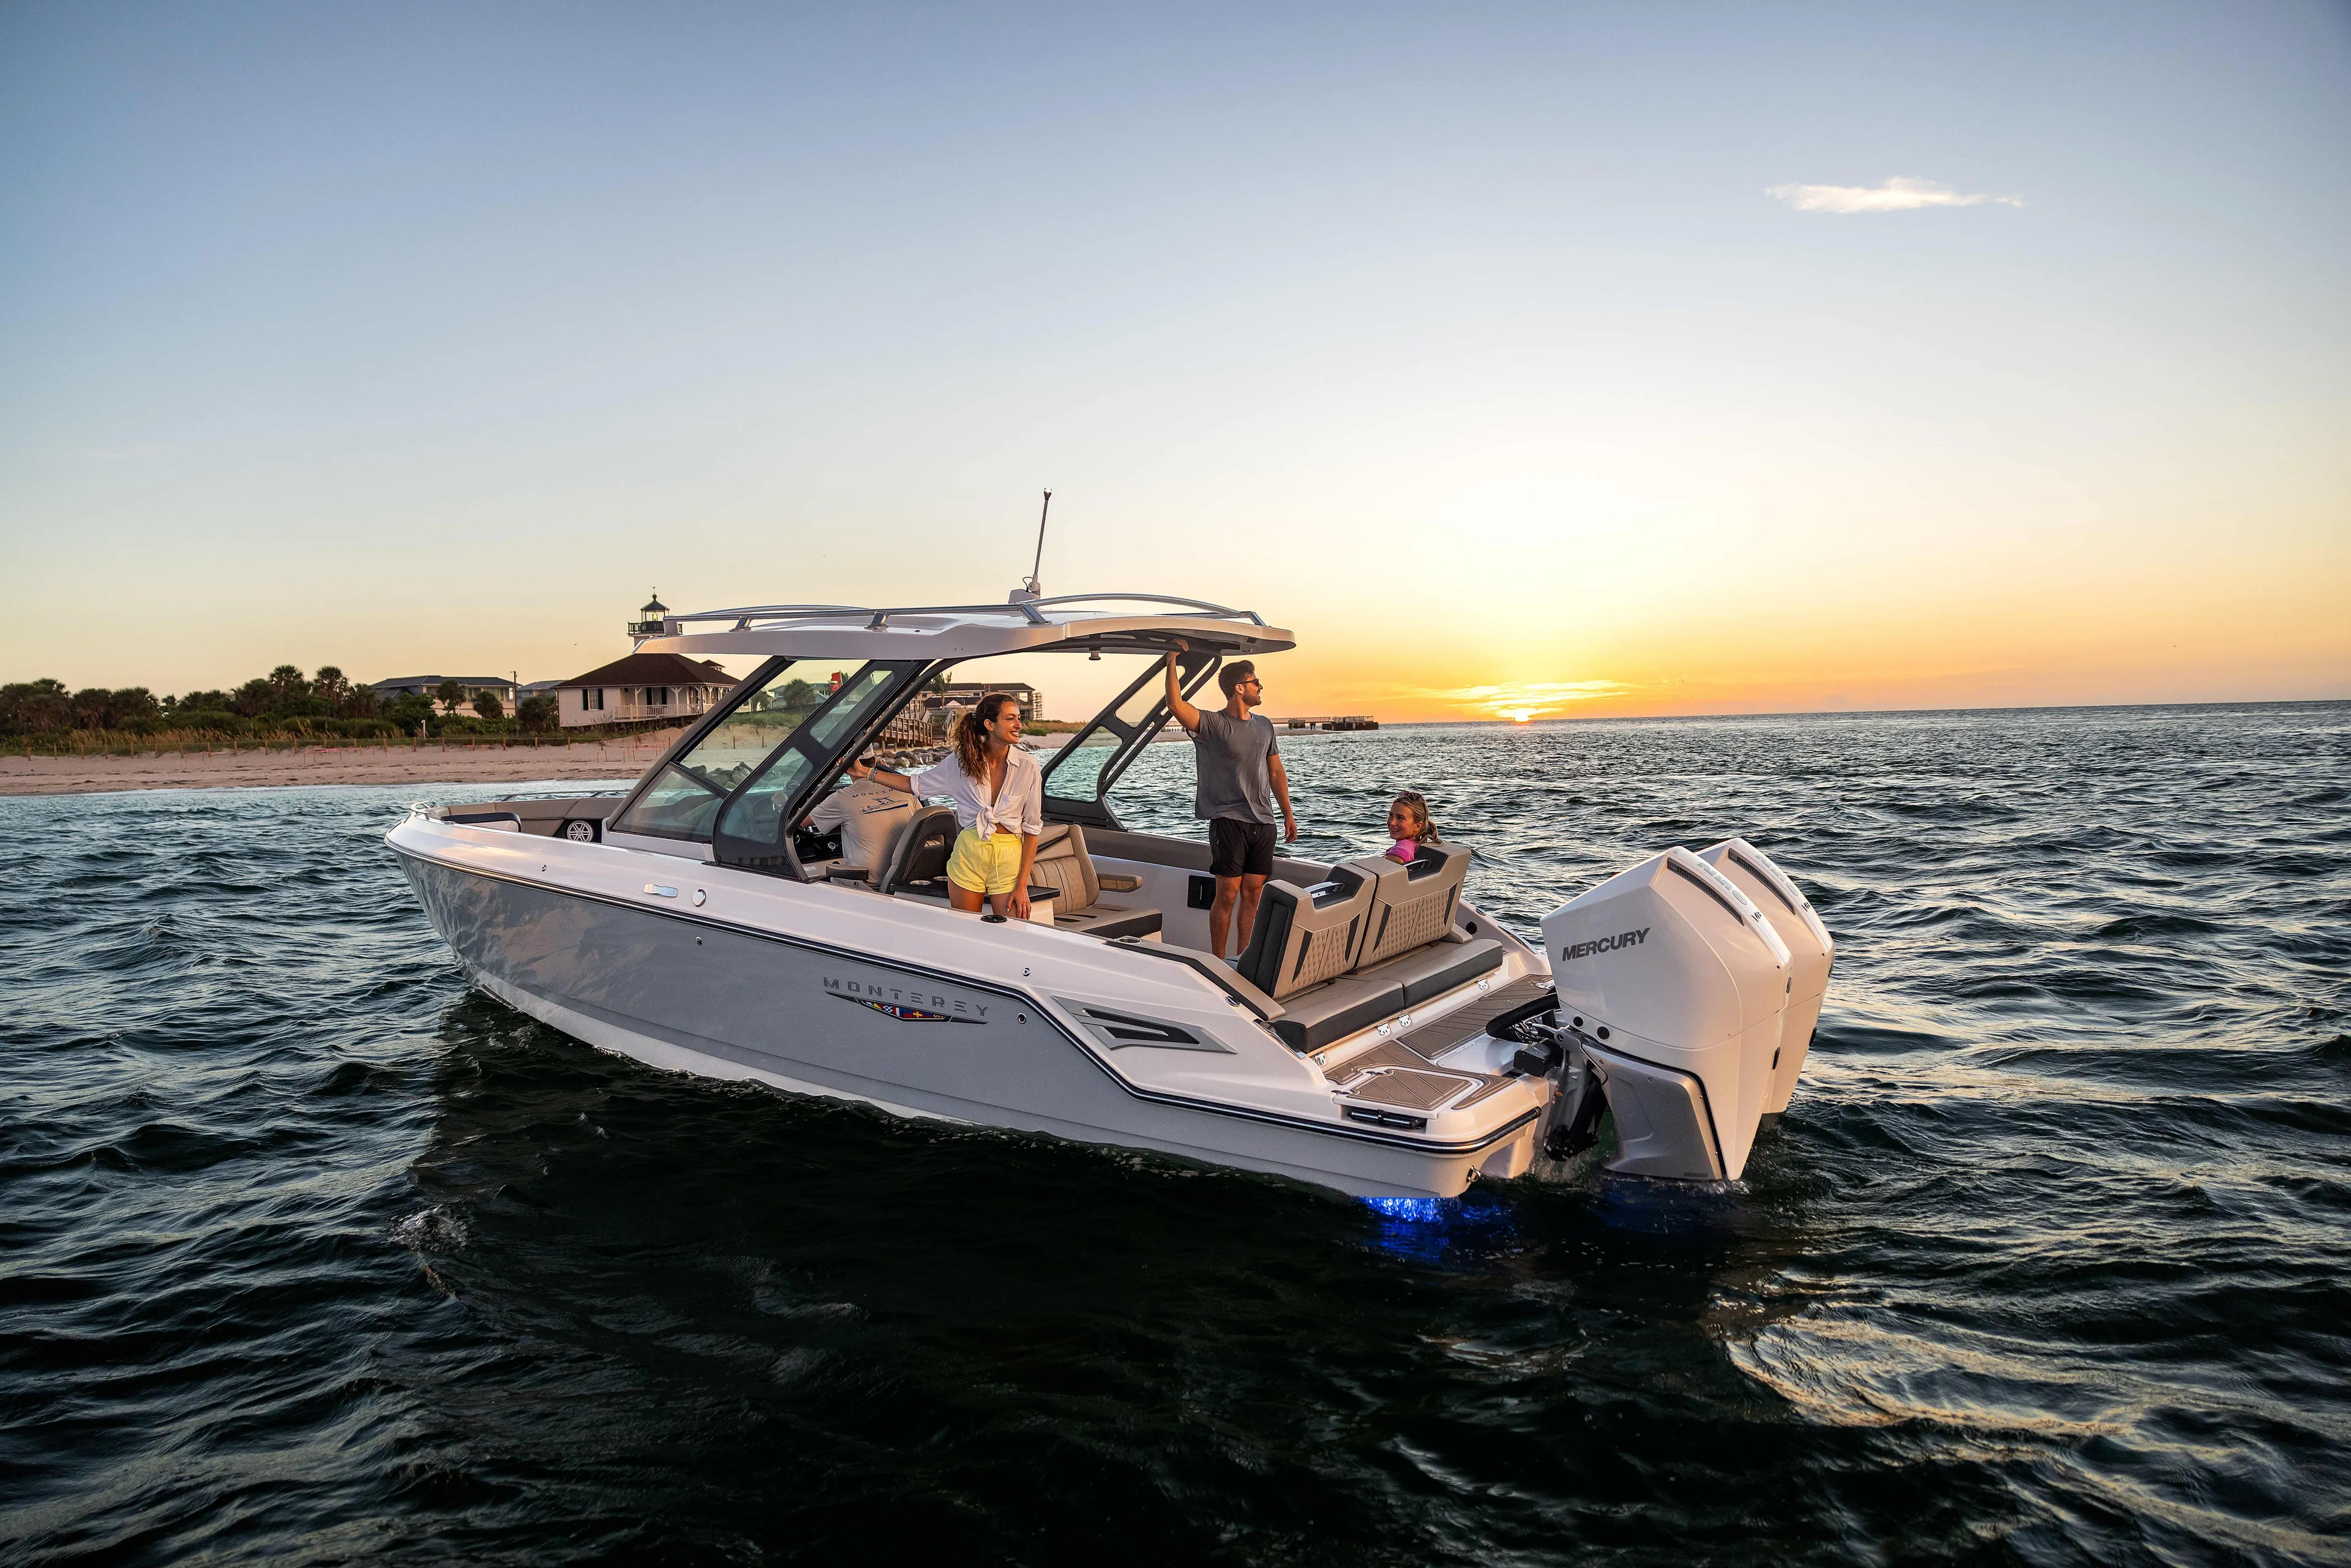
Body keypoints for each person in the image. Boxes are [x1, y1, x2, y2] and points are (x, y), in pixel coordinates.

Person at [849, 692, 1041, 919]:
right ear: (990, 724)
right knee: (965, 931)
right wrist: (864, 772)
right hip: (969, 855)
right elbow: (914, 784)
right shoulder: (961, 763)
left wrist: (1022, 886)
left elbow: (1031, 829)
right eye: (1011, 719)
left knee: (1014, 935)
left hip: (1010, 858)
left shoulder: (1029, 766)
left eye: (1019, 718)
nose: (1019, 724)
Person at [1164, 640, 1299, 959]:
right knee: (1228, 893)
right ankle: (1220, 961)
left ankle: (1244, 960)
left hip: (1264, 823)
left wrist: (1288, 814)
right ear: (1240, 688)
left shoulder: (1265, 725)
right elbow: (1175, 705)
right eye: (1255, 682)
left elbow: (1277, 773)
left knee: (1253, 894)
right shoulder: (1213, 724)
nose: (1260, 687)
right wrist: (1171, 662)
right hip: (1228, 821)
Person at [803, 768, 920, 879]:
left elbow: (803, 821)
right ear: (874, 761)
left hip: (866, 881)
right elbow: (923, 819)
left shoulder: (842, 798)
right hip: (905, 875)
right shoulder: (905, 790)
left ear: (847, 769)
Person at [1384, 790, 1439, 862]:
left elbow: (1396, 860)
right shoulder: (1416, 845)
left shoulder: (1401, 849)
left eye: (1400, 818)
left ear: (1418, 826)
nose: (1392, 823)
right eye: (1391, 815)